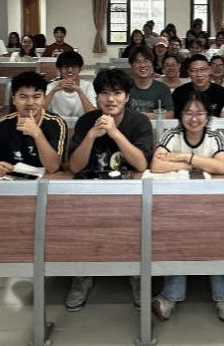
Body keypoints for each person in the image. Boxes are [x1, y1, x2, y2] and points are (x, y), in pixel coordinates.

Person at [148, 91, 224, 321]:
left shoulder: (214, 136)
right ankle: (171, 295)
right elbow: (156, 165)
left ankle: (223, 298)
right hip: (176, 206)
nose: (193, 118)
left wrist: (184, 158)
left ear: (208, 116)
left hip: (212, 207)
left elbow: (220, 167)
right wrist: (199, 165)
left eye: (199, 113)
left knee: (213, 232)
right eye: (188, 113)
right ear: (180, 115)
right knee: (177, 231)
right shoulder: (172, 134)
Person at [63, 70, 154, 311]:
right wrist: (91, 135)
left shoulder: (139, 122)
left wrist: (114, 133)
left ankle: (137, 276)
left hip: (129, 195)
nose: (110, 99)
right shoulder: (86, 121)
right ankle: (82, 276)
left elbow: (141, 164)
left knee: (138, 221)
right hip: (89, 193)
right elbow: (75, 166)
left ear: (127, 97)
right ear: (97, 97)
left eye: (117, 93)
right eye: (104, 93)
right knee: (77, 221)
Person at [0, 71, 66, 176]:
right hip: (9, 181)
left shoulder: (56, 123)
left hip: (44, 180)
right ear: (14, 100)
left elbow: (53, 167)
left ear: (44, 99)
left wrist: (37, 134)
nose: (30, 103)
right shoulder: (2, 124)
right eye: (23, 97)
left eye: (36, 97)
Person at [126, 46, 174, 117]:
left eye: (146, 61)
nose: (142, 65)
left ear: (152, 64)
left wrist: (142, 116)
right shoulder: (125, 88)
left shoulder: (163, 89)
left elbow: (170, 114)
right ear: (131, 66)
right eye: (138, 62)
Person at [45, 51, 96, 118]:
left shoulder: (88, 86)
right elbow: (40, 111)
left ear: (80, 69)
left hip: (81, 123)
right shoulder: (52, 86)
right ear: (59, 69)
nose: (70, 70)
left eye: (74, 67)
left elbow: (92, 114)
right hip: (57, 123)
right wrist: (53, 91)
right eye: (66, 67)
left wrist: (79, 91)